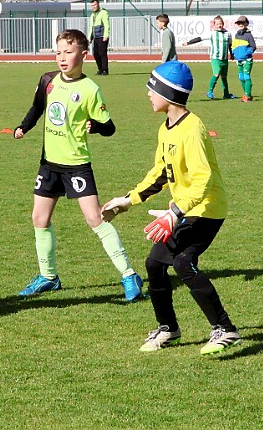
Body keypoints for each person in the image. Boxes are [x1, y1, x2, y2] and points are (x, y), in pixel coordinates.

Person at [101, 61, 241, 355]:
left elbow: (204, 179)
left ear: (168, 93)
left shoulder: (192, 128)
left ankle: (225, 329)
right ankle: (168, 329)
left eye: (152, 89)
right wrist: (128, 200)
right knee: (154, 264)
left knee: (183, 263)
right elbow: (161, 174)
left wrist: (175, 213)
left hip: (207, 208)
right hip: (184, 209)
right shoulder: (165, 129)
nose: (148, 94)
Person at [11, 29, 140, 300]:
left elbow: (110, 127)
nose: (61, 58)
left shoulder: (90, 89)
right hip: (49, 164)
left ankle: (129, 275)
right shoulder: (48, 80)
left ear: (83, 55)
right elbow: (37, 108)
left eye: (68, 52)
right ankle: (48, 277)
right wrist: (23, 127)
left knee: (95, 219)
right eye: (58, 52)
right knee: (39, 218)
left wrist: (97, 126)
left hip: (77, 165)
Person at [202, 16, 234, 100]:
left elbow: (230, 45)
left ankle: (226, 93)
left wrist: (231, 54)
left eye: (220, 24)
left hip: (225, 59)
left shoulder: (228, 33)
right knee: (216, 74)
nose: (219, 25)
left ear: (223, 24)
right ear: (214, 25)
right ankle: (209, 91)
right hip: (215, 58)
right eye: (217, 24)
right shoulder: (211, 33)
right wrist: (188, 43)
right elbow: (200, 39)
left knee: (224, 76)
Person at [231, 16, 257, 102]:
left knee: (246, 76)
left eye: (242, 23)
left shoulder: (248, 35)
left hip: (247, 60)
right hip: (239, 60)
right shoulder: (236, 35)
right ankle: (247, 94)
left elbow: (253, 47)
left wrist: (246, 53)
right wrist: (234, 53)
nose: (241, 24)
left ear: (246, 24)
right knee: (241, 77)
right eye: (239, 23)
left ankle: (247, 95)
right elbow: (234, 46)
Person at [88, 0, 111, 75]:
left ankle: (105, 70)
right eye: (92, 5)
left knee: (102, 53)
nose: (93, 7)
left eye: (95, 5)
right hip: (96, 37)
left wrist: (106, 35)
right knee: (96, 54)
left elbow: (106, 25)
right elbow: (91, 27)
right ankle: (100, 69)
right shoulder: (92, 15)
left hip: (102, 36)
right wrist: (90, 37)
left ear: (98, 4)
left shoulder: (104, 12)